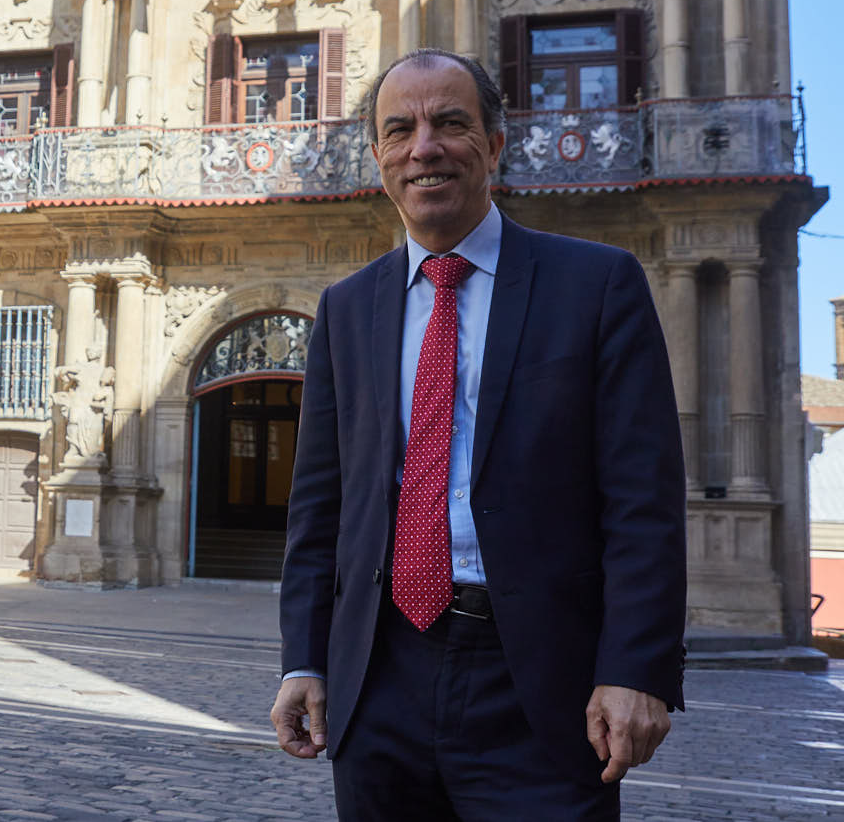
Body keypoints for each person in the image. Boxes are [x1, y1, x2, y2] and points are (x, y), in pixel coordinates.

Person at [271, 49, 687, 820]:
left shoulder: (597, 286)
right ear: (379, 159)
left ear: (495, 145)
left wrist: (638, 666)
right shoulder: (345, 309)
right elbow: (321, 507)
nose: (423, 146)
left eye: (449, 123)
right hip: (381, 678)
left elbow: (643, 499)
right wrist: (304, 655)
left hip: (542, 688)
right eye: (399, 129)